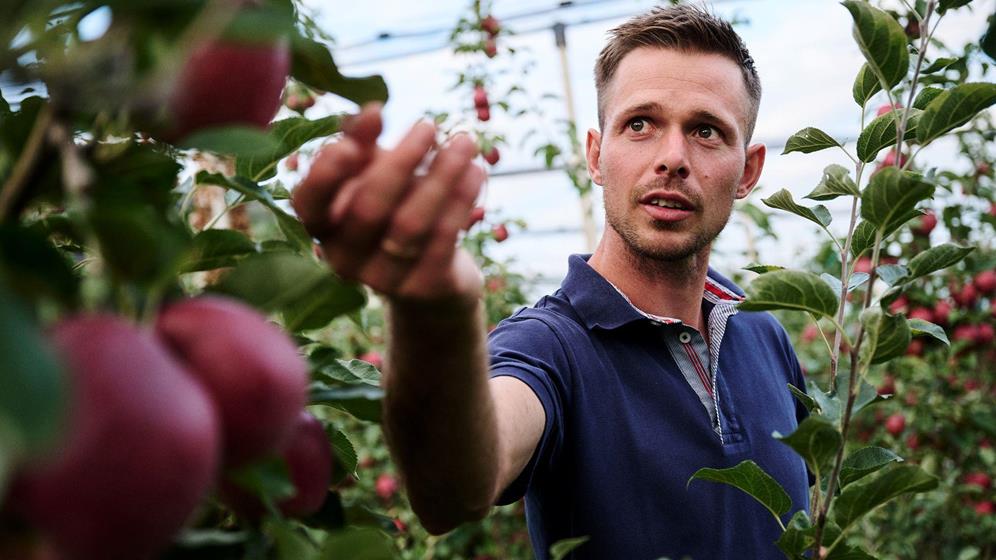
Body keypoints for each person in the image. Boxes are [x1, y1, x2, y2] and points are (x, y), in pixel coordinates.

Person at [293, 5, 810, 559]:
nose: (672, 158)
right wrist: (433, 315)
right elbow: (455, 485)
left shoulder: (764, 334)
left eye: (706, 131)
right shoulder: (548, 348)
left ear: (749, 172)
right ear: (595, 154)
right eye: (640, 124)